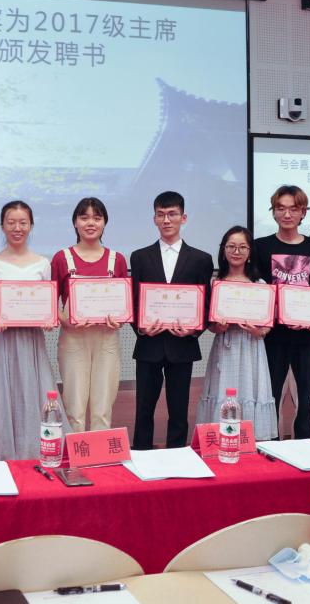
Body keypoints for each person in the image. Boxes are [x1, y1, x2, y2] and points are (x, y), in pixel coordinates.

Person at [0, 201, 68, 460]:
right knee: (0, 394)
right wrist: (0, 313)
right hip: (0, 337)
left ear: (31, 226)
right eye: (11, 222)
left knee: (33, 391)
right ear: (2, 226)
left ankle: (33, 450)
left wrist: (48, 319)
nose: (17, 228)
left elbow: (47, 304)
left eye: (23, 222)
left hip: (30, 338)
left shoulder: (42, 263)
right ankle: (3, 451)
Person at [130, 191, 214, 449]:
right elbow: (133, 301)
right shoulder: (139, 257)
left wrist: (193, 330)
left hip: (182, 345)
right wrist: (142, 328)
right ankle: (141, 453)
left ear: (183, 217)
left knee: (179, 410)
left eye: (172, 214)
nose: (166, 220)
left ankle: (177, 455)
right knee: (143, 409)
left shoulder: (201, 259)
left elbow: (206, 303)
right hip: (149, 344)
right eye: (161, 214)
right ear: (154, 219)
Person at [254, 185, 310, 439]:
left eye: (293, 209)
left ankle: (306, 447)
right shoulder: (261, 247)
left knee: (306, 402)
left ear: (303, 213)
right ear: (273, 212)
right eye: (281, 208)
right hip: (272, 337)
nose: (287, 214)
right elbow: (256, 291)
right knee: (270, 397)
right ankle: (270, 446)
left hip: (307, 338)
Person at [50, 197, 129, 433]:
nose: (90, 223)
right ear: (75, 222)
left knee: (103, 406)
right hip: (73, 338)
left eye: (97, 218)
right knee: (74, 405)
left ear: (105, 222)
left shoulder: (117, 260)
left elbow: (124, 304)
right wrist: (65, 320)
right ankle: (76, 453)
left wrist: (119, 320)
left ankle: (99, 454)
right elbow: (50, 301)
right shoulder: (62, 258)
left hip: (106, 338)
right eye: (84, 217)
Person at [195, 226, 278, 441]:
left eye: (242, 247)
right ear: (223, 250)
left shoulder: (259, 285)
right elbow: (210, 325)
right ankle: (221, 441)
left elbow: (267, 325)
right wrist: (218, 327)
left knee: (249, 391)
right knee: (224, 391)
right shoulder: (215, 283)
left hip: (251, 347)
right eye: (231, 246)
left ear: (250, 253)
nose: (236, 251)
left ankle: (250, 441)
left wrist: (258, 331)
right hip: (225, 346)